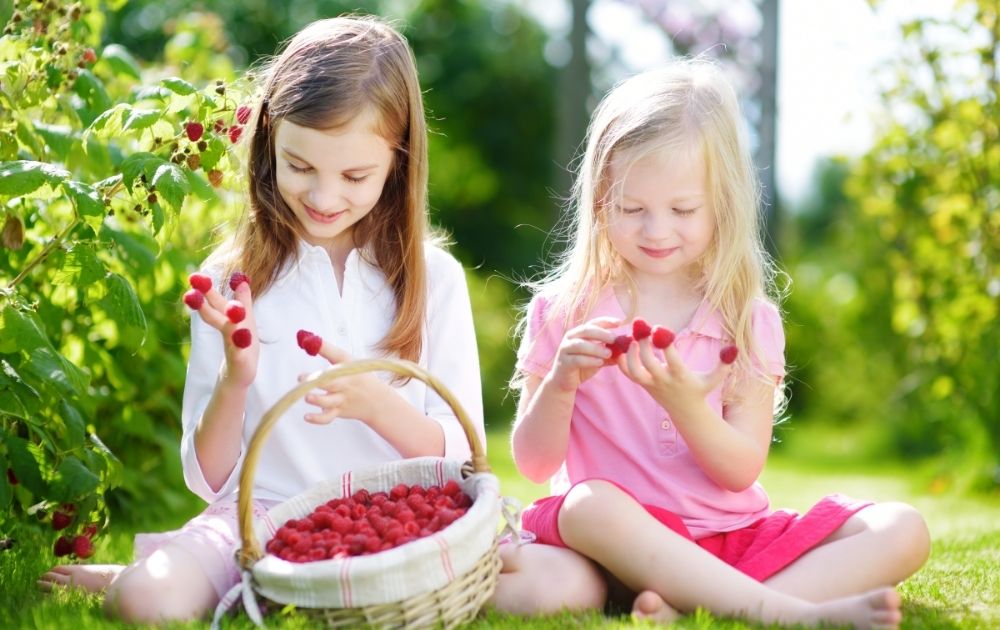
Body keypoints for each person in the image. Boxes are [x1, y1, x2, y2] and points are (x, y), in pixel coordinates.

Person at [37, 15, 484, 623]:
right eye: (299, 166)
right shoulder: (232, 280)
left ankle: (216, 581)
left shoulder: (434, 280)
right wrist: (236, 380)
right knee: (149, 601)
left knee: (531, 585)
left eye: (355, 176)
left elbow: (464, 461)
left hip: (400, 516)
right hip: (258, 516)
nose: (324, 198)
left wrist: (378, 403)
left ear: (398, 163)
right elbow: (209, 478)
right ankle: (174, 575)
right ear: (268, 138)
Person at [490, 59, 929, 629]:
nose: (657, 231)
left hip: (726, 537)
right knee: (585, 507)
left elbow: (740, 470)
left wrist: (686, 406)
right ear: (599, 199)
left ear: (723, 203)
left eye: (682, 210)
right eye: (632, 209)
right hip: (605, 550)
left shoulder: (747, 322)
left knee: (902, 529)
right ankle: (783, 612)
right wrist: (560, 383)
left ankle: (705, 601)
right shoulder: (565, 310)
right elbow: (534, 462)